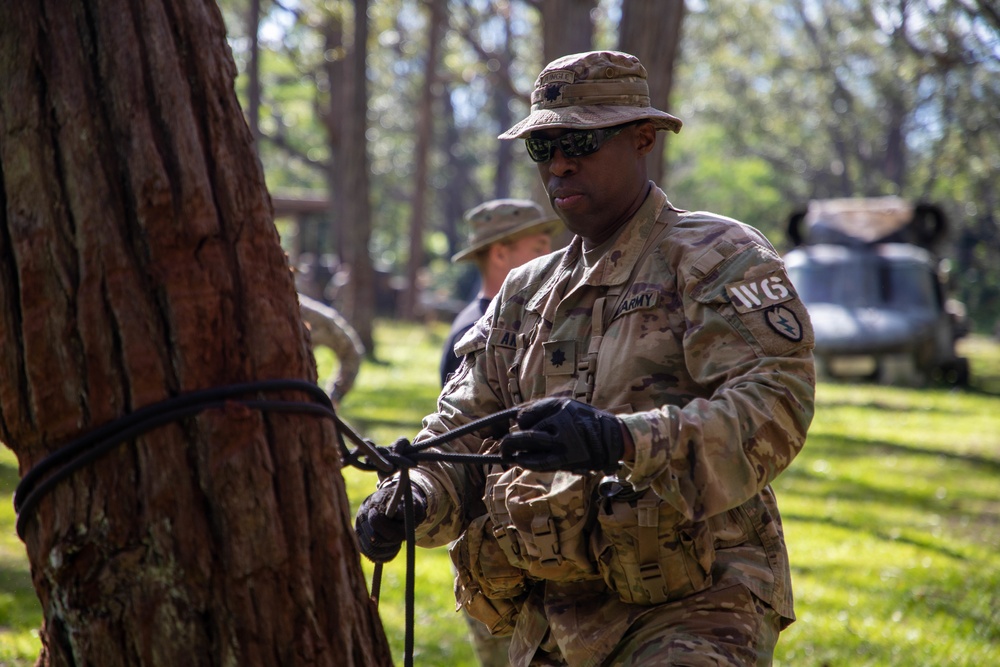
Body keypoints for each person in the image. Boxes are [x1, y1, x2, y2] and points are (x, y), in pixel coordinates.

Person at [355, 50, 816, 666]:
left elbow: (775, 406)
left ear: (643, 138)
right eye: (542, 148)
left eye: (581, 140)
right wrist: (415, 498)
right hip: (547, 619)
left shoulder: (714, 255)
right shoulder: (523, 292)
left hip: (697, 602)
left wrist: (621, 442)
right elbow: (461, 433)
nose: (561, 164)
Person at [440, 198, 563, 386]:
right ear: (499, 255)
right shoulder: (477, 335)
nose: (551, 256)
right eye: (539, 248)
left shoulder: (512, 320)